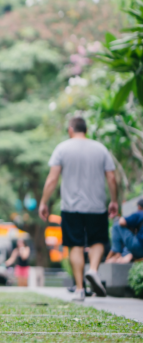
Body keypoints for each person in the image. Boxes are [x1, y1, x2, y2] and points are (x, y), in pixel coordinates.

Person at [39, 117, 118, 301]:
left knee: (75, 245)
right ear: (86, 130)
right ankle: (93, 270)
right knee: (97, 241)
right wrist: (114, 201)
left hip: (71, 207)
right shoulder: (100, 148)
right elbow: (112, 178)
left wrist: (44, 202)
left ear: (70, 130)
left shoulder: (62, 148)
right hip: (97, 205)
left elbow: (52, 180)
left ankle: (80, 289)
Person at [106, 198, 143, 264]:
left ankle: (116, 251)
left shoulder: (140, 213)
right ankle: (125, 254)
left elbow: (121, 221)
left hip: (140, 248)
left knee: (116, 225)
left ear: (139, 207)